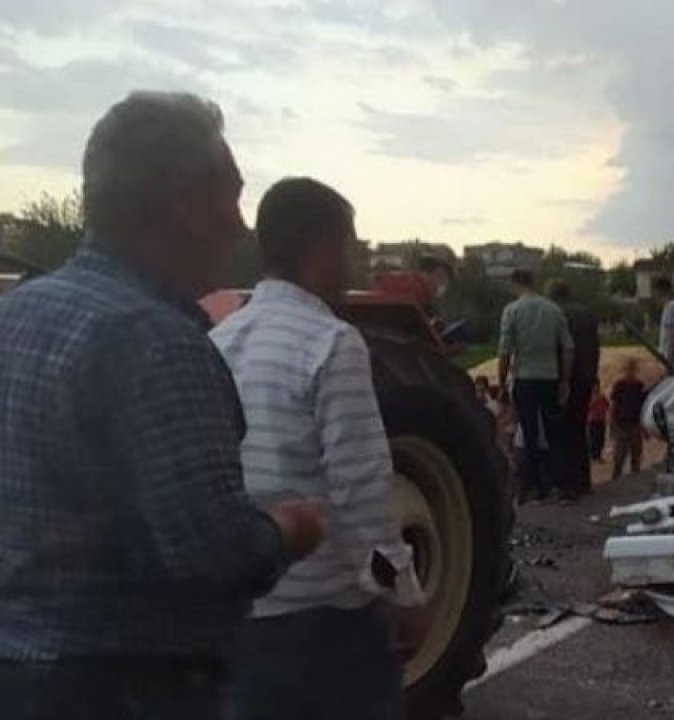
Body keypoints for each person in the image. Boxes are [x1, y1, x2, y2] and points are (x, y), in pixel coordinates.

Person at [0, 91, 324, 720]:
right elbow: (213, 557)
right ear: (187, 205)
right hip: (125, 688)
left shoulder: (17, 313)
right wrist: (291, 528)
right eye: (231, 197)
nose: (240, 227)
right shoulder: (156, 342)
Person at [212, 178, 427, 720]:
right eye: (350, 249)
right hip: (321, 621)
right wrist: (403, 591)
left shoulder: (219, 339)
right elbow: (361, 485)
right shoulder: (331, 342)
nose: (352, 267)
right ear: (325, 247)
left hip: (238, 614)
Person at [498, 269, 574, 503]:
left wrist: (501, 383)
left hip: (524, 378)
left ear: (515, 285)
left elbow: (504, 351)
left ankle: (533, 487)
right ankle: (559, 484)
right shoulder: (553, 309)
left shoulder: (512, 310)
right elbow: (568, 347)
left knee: (529, 432)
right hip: (550, 376)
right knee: (554, 431)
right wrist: (564, 379)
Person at [548, 278, 600, 496]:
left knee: (562, 430)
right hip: (586, 376)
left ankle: (568, 485)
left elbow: (559, 348)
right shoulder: (587, 314)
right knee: (579, 427)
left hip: (566, 377)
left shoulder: (557, 315)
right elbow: (595, 347)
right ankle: (584, 480)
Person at [611, 358, 649, 480]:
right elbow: (614, 406)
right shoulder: (619, 385)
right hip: (621, 424)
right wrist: (612, 425)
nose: (630, 372)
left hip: (635, 424)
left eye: (632, 370)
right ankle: (615, 481)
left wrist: (644, 427)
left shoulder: (639, 386)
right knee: (619, 457)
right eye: (628, 370)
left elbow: (643, 407)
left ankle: (634, 481)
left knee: (636, 457)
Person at [654, 276, 674, 369]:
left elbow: (673, 339)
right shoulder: (669, 308)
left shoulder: (671, 308)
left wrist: (668, 364)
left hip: (672, 364)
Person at [587, 380, 610, 463]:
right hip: (592, 421)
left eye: (597, 386)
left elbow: (607, 405)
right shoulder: (589, 396)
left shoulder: (602, 396)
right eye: (595, 386)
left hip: (601, 420)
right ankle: (592, 456)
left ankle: (598, 455)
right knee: (592, 439)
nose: (596, 388)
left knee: (601, 438)